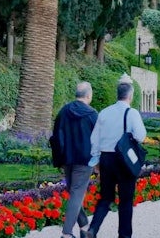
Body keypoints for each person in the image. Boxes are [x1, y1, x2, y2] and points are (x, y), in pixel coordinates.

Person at [88, 80, 146, 238]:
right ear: (130, 96)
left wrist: (96, 160)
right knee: (126, 201)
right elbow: (141, 136)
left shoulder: (104, 112)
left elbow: (95, 139)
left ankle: (93, 229)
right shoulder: (132, 113)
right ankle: (124, 236)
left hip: (106, 158)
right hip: (124, 160)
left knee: (105, 198)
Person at [52, 82, 98, 238]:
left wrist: (59, 159)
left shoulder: (64, 112)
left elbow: (57, 136)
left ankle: (84, 227)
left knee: (74, 193)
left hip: (67, 159)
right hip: (85, 161)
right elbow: (99, 140)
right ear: (88, 95)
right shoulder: (92, 115)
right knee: (77, 194)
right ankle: (66, 234)